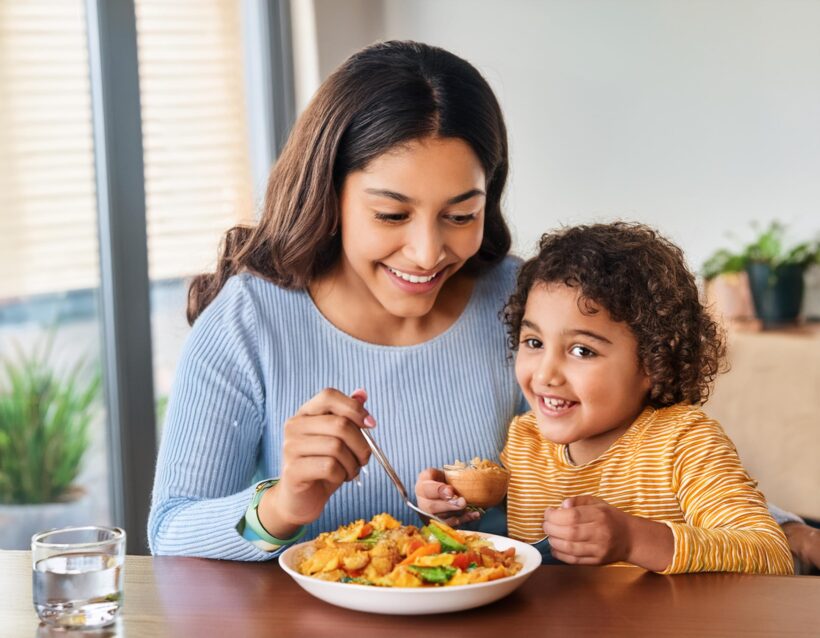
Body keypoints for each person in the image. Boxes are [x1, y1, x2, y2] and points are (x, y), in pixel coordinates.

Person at [148, 40, 523, 560]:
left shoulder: (522, 304)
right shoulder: (249, 322)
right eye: (392, 215)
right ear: (330, 195)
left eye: (460, 216)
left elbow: (602, 481)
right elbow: (171, 532)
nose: (426, 253)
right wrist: (283, 505)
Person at [417, 222, 794, 574]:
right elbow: (497, 548)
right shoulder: (526, 442)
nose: (545, 374)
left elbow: (769, 553)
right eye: (533, 342)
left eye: (582, 351)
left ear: (653, 361)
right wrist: (449, 511)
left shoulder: (685, 442)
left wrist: (634, 539)